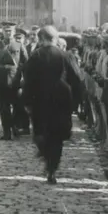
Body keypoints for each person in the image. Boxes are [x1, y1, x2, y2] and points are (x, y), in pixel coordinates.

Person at [22, 26, 82, 184]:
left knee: (41, 133)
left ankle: (46, 156)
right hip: (61, 102)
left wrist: (27, 101)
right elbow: (76, 79)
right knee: (57, 137)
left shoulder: (36, 55)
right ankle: (52, 168)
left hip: (39, 102)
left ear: (41, 39)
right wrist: (75, 102)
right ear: (55, 39)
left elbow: (27, 80)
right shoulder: (66, 56)